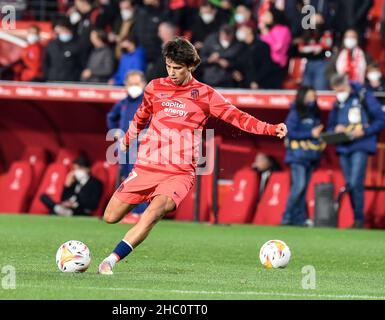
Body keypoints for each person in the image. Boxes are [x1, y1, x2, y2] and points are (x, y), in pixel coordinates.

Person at [97, 37, 288, 275]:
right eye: (168, 66)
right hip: (147, 165)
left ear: (191, 67)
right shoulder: (154, 87)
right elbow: (141, 117)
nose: (172, 72)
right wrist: (126, 141)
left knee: (153, 213)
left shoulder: (205, 95)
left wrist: (270, 128)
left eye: (177, 68)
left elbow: (237, 117)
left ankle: (111, 260)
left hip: (179, 172)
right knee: (110, 216)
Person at [327, 74, 385, 228]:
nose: (339, 94)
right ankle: (357, 219)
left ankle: (359, 219)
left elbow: (381, 119)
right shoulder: (338, 103)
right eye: (336, 91)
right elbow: (330, 126)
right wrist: (335, 129)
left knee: (355, 182)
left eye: (341, 90)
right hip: (344, 146)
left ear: (347, 84)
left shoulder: (363, 95)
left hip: (361, 144)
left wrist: (365, 131)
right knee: (350, 184)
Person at [107, 70, 149, 218]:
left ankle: (141, 212)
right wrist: (115, 131)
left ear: (143, 84)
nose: (133, 87)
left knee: (139, 180)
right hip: (124, 147)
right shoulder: (123, 103)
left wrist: (148, 134)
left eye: (136, 84)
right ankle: (130, 212)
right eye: (130, 84)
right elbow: (111, 117)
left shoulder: (148, 102)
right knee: (127, 178)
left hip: (141, 148)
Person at [282, 86, 325, 226]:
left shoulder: (314, 114)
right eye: (311, 95)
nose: (313, 98)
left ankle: (299, 219)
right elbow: (290, 132)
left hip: (311, 156)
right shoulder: (296, 112)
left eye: (314, 96)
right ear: (303, 96)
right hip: (297, 155)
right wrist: (310, 134)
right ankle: (286, 217)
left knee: (304, 189)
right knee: (298, 187)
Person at [42, 16, 87, 82]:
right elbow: (46, 62)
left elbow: (82, 63)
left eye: (66, 29)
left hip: (70, 80)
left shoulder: (77, 45)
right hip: (53, 79)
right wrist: (48, 75)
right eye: (62, 29)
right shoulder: (51, 44)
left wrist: (76, 77)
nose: (64, 32)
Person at [232, 23, 276, 89]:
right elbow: (239, 64)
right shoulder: (240, 47)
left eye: (242, 28)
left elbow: (266, 66)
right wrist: (237, 73)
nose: (240, 30)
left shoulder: (262, 46)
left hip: (260, 85)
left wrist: (256, 81)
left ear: (250, 30)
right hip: (243, 84)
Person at [295, 13, 333, 91]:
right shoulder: (307, 33)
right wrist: (313, 48)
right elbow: (301, 48)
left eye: (318, 19)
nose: (316, 21)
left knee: (320, 88)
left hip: (322, 63)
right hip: (308, 63)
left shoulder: (326, 32)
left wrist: (311, 48)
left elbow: (324, 47)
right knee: (306, 89)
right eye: (314, 19)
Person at [259, 8, 292, 87]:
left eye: (267, 15)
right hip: (265, 64)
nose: (264, 17)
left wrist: (266, 34)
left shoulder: (283, 29)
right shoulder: (268, 30)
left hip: (276, 65)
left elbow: (277, 47)